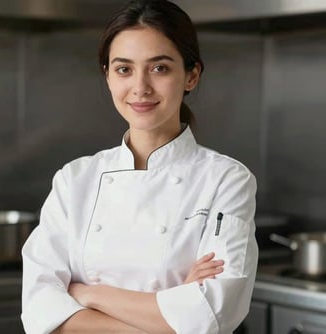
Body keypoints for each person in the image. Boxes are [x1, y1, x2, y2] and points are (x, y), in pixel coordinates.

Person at [21, 0, 258, 333]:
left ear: (191, 75)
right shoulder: (74, 180)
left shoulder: (226, 179)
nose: (140, 87)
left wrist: (88, 294)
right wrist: (170, 310)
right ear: (107, 76)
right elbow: (38, 311)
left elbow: (211, 317)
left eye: (159, 68)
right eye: (124, 69)